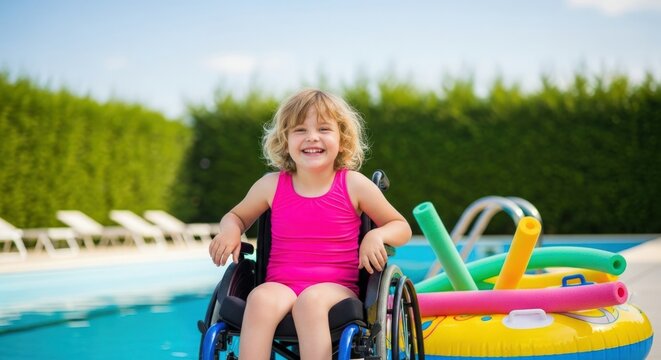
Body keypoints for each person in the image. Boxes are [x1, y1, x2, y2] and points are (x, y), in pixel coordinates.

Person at [209, 88, 412, 359]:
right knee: (259, 299)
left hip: (334, 289)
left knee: (311, 301)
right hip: (281, 285)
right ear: (285, 139)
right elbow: (235, 216)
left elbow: (401, 226)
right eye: (300, 130)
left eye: (324, 129)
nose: (312, 137)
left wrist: (375, 236)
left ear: (342, 138)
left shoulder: (353, 184)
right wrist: (230, 231)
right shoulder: (271, 185)